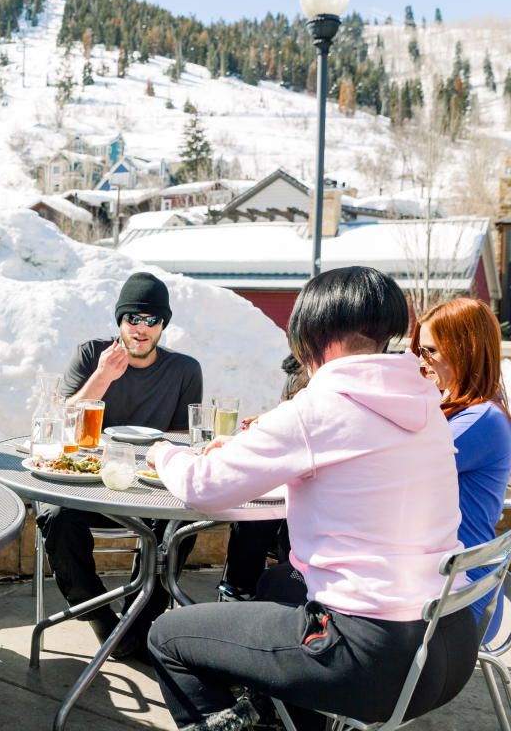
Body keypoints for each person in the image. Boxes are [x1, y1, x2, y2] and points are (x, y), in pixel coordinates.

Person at [146, 267, 478, 731]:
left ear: (311, 335)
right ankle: (283, 718)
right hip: (450, 642)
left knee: (167, 636)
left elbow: (202, 485)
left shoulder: (320, 405)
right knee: (277, 585)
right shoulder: (422, 400)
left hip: (371, 659)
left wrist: (164, 452)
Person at [37, 271, 202, 657]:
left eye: (151, 321)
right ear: (119, 321)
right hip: (89, 487)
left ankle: (141, 616)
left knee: (187, 518)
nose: (141, 329)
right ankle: (101, 620)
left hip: (147, 489)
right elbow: (61, 424)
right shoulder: (91, 355)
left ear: (163, 325)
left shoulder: (183, 370)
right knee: (56, 516)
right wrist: (102, 377)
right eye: (133, 319)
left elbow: (182, 443)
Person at [412, 297, 511, 643]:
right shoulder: (461, 410)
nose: (419, 362)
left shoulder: (478, 419)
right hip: (449, 582)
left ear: (464, 350)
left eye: (429, 351)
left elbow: (396, 468)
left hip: (457, 599)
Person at [216, 355, 304, 601]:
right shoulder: (301, 374)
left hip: (311, 522)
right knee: (257, 509)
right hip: (282, 493)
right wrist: (271, 424)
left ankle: (281, 591)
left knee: (274, 513)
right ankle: (238, 589)